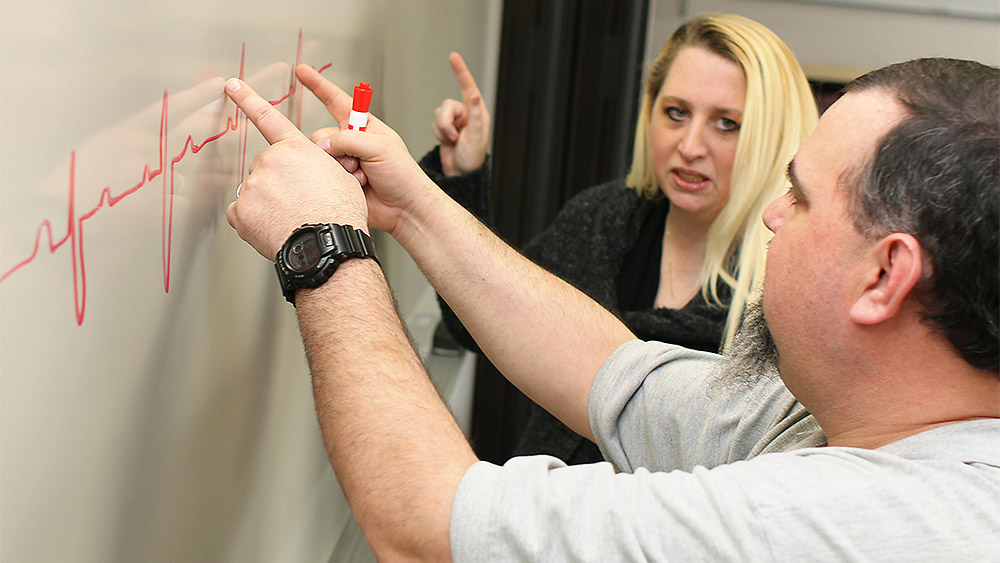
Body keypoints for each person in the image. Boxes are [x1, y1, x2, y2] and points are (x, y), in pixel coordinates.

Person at [224, 55, 999, 561]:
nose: (771, 215)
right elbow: (608, 367)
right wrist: (416, 204)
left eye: (797, 196)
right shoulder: (841, 411)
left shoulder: (865, 528)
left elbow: (426, 522)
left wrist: (321, 245)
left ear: (885, 275)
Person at [419, 14, 820, 464]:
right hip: (548, 511)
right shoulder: (604, 218)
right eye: (677, 112)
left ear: (771, 136)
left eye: (726, 123)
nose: (690, 145)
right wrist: (462, 175)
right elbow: (476, 322)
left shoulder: (783, 282)